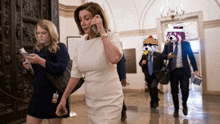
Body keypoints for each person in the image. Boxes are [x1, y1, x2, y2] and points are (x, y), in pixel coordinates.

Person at [56, 2, 123, 124]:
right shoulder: (80, 43)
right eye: (80, 19)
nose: (83, 23)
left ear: (98, 18)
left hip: (110, 100)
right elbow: (75, 75)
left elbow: (114, 58)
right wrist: (64, 97)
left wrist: (102, 31)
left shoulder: (111, 35)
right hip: (92, 101)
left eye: (87, 18)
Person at [22, 19, 70, 124]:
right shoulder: (37, 49)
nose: (40, 36)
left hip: (54, 94)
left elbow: (60, 69)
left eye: (43, 33)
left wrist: (40, 60)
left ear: (51, 33)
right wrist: (29, 68)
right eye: (38, 33)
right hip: (38, 93)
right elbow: (37, 73)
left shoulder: (60, 47)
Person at [162, 25, 201, 117]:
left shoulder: (186, 44)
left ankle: (184, 104)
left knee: (185, 90)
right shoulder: (168, 44)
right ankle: (176, 109)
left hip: (184, 71)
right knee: (174, 91)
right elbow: (162, 55)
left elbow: (191, 56)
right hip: (173, 72)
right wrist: (168, 55)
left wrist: (195, 70)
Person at [139, 35, 166, 108]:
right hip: (148, 75)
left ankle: (156, 99)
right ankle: (153, 100)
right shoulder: (144, 54)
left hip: (156, 75)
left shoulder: (159, 55)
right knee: (150, 89)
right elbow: (140, 63)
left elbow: (162, 65)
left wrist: (163, 71)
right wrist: (142, 63)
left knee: (154, 87)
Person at [117, 54, 128, 121]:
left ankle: (123, 111)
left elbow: (121, 63)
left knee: (118, 96)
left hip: (115, 77)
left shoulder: (117, 46)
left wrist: (123, 77)